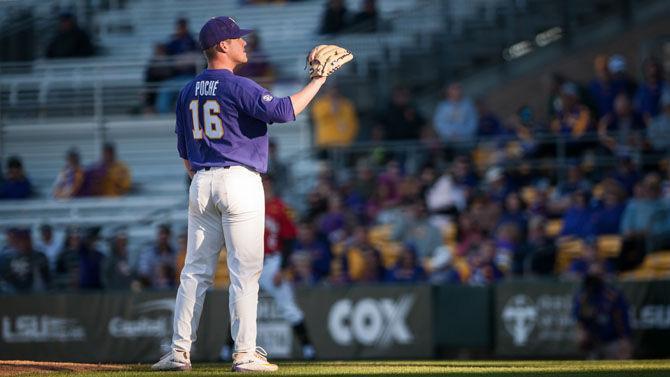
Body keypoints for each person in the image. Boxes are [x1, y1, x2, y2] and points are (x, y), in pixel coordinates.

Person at [152, 16, 339, 372]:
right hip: (239, 179)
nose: (245, 43)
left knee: (194, 272)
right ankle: (245, 353)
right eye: (238, 38)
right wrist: (318, 80)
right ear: (222, 46)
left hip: (201, 180)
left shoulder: (187, 90)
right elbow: (285, 110)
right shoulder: (238, 86)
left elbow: (184, 153)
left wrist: (203, 177)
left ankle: (178, 351)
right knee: (245, 273)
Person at [220, 177, 316, 361]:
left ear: (270, 185)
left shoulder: (279, 207)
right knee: (241, 306)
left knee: (288, 307)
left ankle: (308, 347)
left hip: (271, 262)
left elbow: (289, 239)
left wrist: (282, 268)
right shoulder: (245, 205)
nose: (264, 186)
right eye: (261, 183)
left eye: (266, 183)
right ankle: (227, 349)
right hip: (249, 261)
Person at [573, 272, 632, 359]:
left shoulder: (612, 295)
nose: (593, 281)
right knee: (592, 368)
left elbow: (621, 319)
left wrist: (624, 338)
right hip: (593, 340)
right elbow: (579, 318)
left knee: (617, 366)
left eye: (596, 277)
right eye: (591, 277)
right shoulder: (583, 295)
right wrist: (582, 333)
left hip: (612, 339)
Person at [433, 82, 478, 146]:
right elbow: (439, 123)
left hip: (466, 141)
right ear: (448, 92)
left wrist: (462, 134)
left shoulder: (468, 105)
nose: (456, 92)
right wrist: (450, 134)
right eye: (453, 89)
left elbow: (473, 121)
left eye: (458, 89)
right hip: (448, 141)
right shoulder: (442, 106)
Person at [137, 224, 176, 289]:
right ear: (157, 235)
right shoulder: (148, 253)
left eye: (166, 233)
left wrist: (168, 270)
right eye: (161, 233)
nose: (164, 236)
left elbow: (178, 272)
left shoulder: (175, 252)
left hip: (172, 289)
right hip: (152, 289)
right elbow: (143, 273)